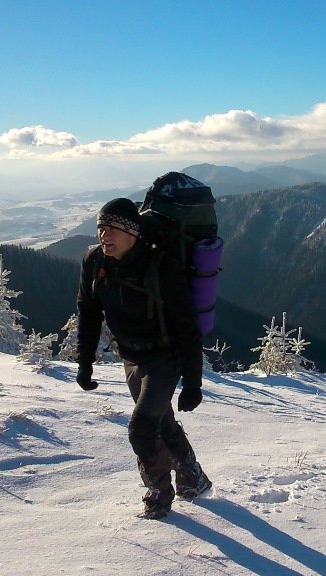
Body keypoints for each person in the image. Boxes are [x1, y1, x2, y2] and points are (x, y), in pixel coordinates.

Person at [75, 197, 211, 519]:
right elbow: (89, 313)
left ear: (132, 232)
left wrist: (193, 382)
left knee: (140, 428)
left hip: (165, 357)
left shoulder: (161, 267)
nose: (103, 235)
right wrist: (85, 361)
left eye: (111, 228)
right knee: (160, 423)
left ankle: (159, 496)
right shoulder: (95, 263)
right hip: (131, 357)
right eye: (100, 228)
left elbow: (187, 327)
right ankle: (194, 479)